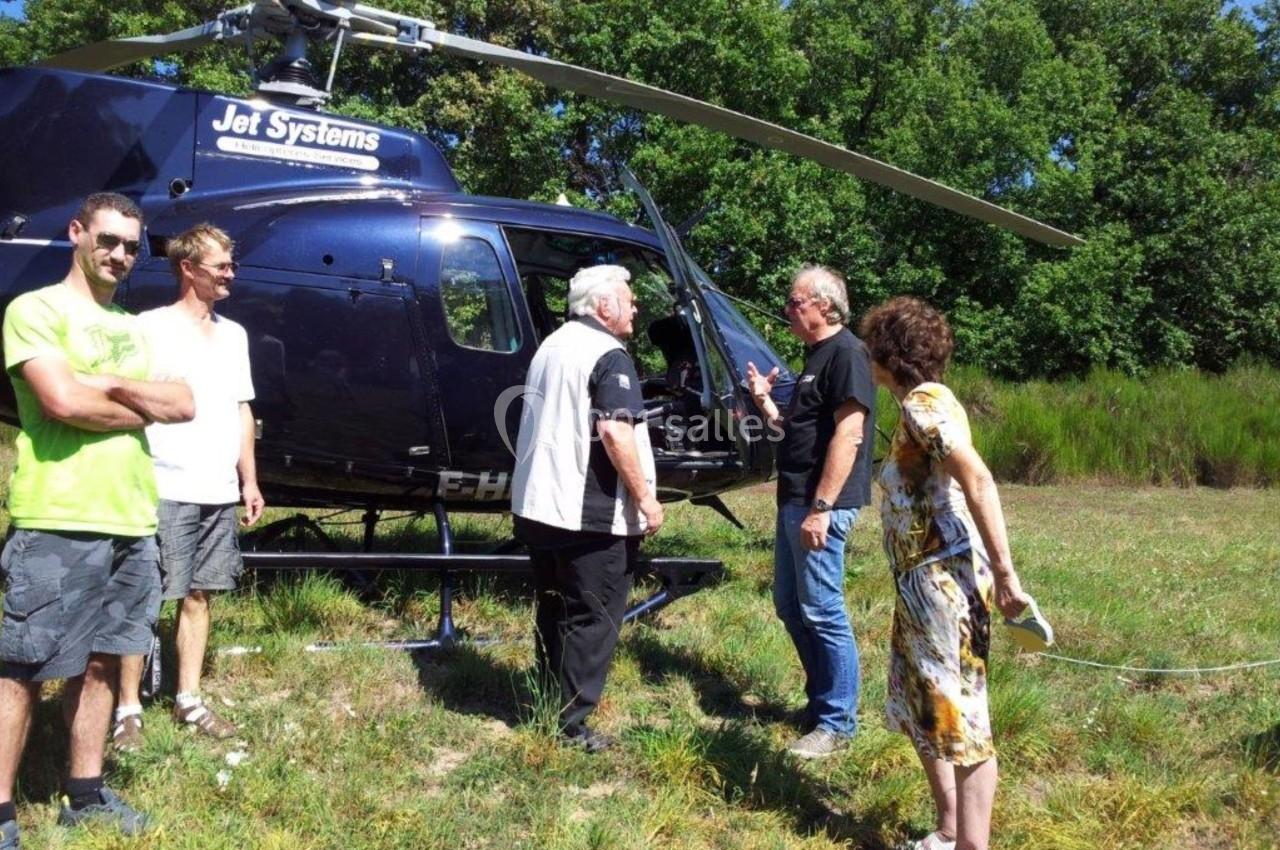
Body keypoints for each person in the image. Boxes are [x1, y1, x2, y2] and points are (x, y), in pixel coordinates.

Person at [0, 192, 195, 844]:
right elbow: (60, 402)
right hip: (57, 516)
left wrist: (105, 385)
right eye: (107, 240)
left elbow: (183, 402)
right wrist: (137, 405)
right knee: (23, 670)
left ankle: (84, 793)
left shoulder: (137, 330)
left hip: (132, 521)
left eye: (131, 247)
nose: (118, 255)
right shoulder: (35, 310)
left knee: (107, 663)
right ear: (76, 232)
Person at [858, 296, 1033, 850]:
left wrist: (1006, 574)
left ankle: (970, 845)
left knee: (962, 718)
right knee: (925, 708)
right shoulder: (923, 401)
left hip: (941, 585)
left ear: (888, 354)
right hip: (920, 584)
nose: (866, 355)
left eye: (871, 346)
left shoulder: (923, 405)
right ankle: (950, 829)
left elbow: (977, 479)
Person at [113, 224, 263, 749]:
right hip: (163, 483)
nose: (230, 274)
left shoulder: (235, 334)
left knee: (199, 594)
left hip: (217, 490)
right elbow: (126, 399)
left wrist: (248, 480)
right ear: (188, 268)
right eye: (220, 266)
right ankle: (127, 709)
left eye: (231, 265)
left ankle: (189, 700)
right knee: (144, 596)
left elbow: (242, 409)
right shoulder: (149, 327)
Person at [510, 264, 664, 753]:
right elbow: (615, 431)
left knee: (554, 607)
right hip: (587, 512)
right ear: (603, 305)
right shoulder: (608, 354)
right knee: (593, 618)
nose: (635, 306)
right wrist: (646, 498)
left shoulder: (550, 346)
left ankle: (546, 703)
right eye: (629, 298)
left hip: (538, 504)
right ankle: (570, 724)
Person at [746, 264, 875, 759]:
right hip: (795, 497)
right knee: (790, 605)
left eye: (795, 302)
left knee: (822, 610)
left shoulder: (847, 354)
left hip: (819, 504)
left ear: (825, 305)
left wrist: (821, 508)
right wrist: (764, 403)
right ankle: (822, 704)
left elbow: (850, 434)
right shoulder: (815, 357)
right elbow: (797, 431)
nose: (787, 309)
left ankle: (838, 723)